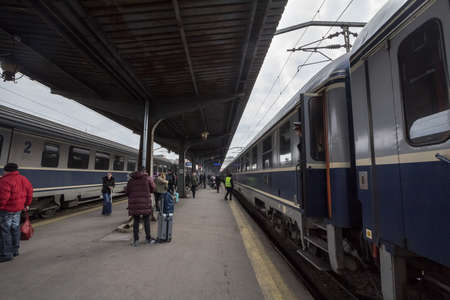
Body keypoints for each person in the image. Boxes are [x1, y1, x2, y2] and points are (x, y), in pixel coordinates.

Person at [0, 163, 33, 262]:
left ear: (6, 170)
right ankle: (15, 250)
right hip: (18, 209)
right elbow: (30, 193)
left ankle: (6, 254)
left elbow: (3, 198)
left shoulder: (4, 181)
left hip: (6, 210)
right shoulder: (23, 179)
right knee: (15, 229)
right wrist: (25, 204)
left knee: (5, 232)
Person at [126, 168, 156, 247]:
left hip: (135, 204)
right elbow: (153, 189)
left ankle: (136, 240)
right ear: (144, 171)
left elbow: (127, 192)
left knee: (136, 221)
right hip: (145, 203)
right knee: (146, 221)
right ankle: (148, 238)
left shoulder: (131, 180)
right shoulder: (148, 179)